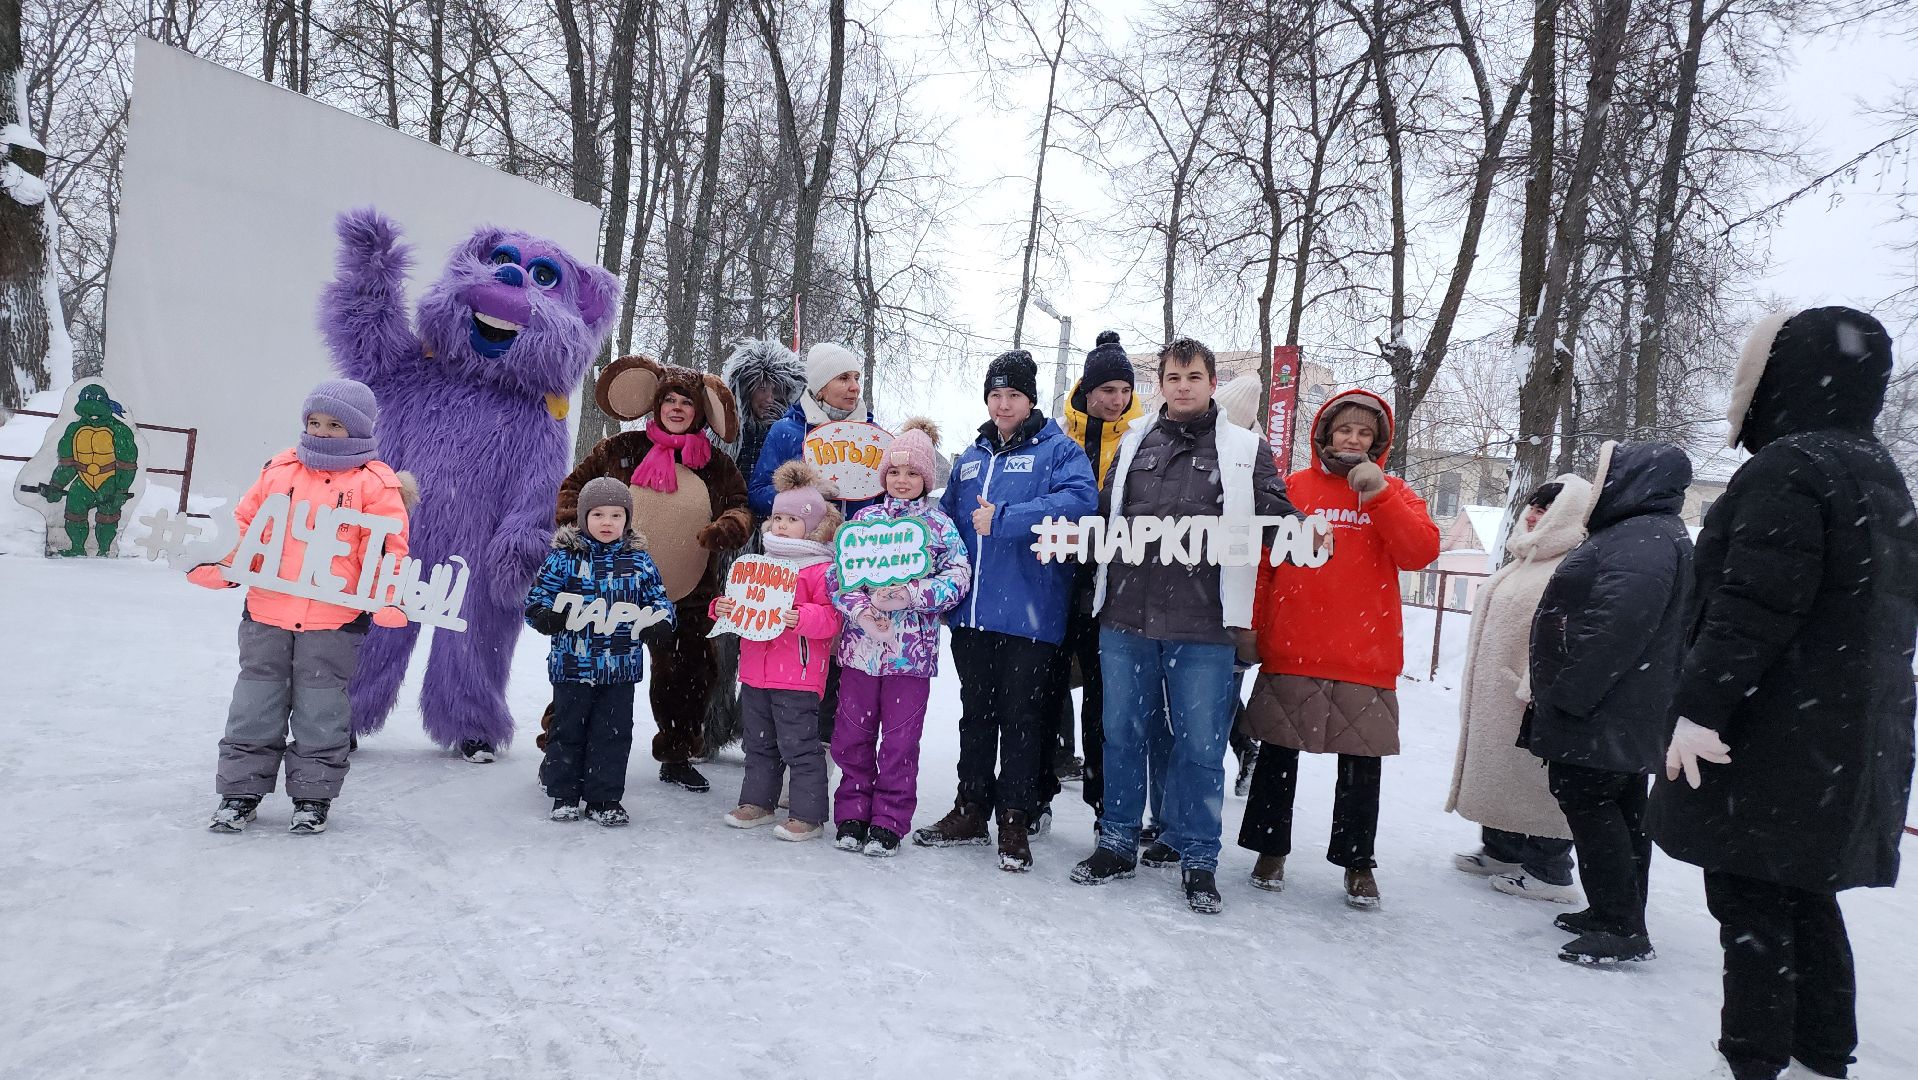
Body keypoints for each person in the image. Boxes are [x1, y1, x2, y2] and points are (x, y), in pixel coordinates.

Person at [1650, 308, 1916, 1080]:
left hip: (1768, 740)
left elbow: (1752, 607)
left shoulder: (1790, 467)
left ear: (1776, 379)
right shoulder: (1879, 474)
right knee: (1807, 898)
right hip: (1838, 742)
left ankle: (1755, 1062)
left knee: (1753, 907)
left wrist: (1699, 710)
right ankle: (1822, 1056)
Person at [1067, 338, 1297, 914]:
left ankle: (1199, 856)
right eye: (1173, 377)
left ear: (1212, 382)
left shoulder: (1244, 448)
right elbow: (1103, 515)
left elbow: (1272, 507)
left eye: (1194, 376)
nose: (1183, 386)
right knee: (1121, 733)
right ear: (1161, 384)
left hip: (1204, 623)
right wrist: (1063, 535)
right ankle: (1117, 841)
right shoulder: (1137, 439)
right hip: (1126, 616)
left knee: (1200, 745)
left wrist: (1296, 528)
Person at [1236, 388, 1439, 908]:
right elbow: (1266, 560)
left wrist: (1381, 496)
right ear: (1325, 435)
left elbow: (1420, 551)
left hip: (1364, 652)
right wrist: (1251, 626)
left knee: (1361, 767)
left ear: (1379, 442)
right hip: (1294, 643)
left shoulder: (1395, 490)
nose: (1353, 439)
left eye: (1364, 433)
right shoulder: (1293, 487)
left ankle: (1357, 863)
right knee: (1278, 757)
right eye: (1344, 430)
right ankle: (1268, 851)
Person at [197, 379, 412, 835]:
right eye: (315, 421)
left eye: (335, 424)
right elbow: (247, 525)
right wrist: (223, 565)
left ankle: (313, 795)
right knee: (255, 703)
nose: (322, 431)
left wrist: (387, 596)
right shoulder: (279, 469)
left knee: (321, 709)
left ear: (358, 430)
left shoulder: (375, 483)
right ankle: (240, 791)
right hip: (266, 613)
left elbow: (387, 548)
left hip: (333, 621)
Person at [914, 349, 1098, 871]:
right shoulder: (971, 458)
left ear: (1031, 399)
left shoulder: (1059, 451)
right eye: (995, 395)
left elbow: (1082, 503)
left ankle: (1014, 817)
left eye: (1012, 394)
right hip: (972, 615)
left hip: (1031, 613)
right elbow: (948, 525)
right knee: (976, 717)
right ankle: (971, 807)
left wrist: (1011, 518)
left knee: (1022, 719)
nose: (1002, 404)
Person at [1525, 440, 1693, 965]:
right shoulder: (1649, 535)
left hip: (1603, 707)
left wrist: (1568, 695)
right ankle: (1616, 912)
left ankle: (1620, 926)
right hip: (1624, 707)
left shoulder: (1639, 540)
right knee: (1619, 808)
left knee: (1592, 803)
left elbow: (1615, 629)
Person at [554, 357, 752, 795]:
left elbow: (740, 505)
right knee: (589, 668)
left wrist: (729, 527)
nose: (677, 409)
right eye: (669, 401)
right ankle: (563, 747)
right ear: (655, 404)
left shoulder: (716, 465)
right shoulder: (622, 448)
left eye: (686, 402)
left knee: (689, 676)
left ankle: (678, 753)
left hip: (688, 591)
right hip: (610, 585)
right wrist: (574, 523)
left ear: (701, 411)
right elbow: (574, 487)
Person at [827, 419, 971, 857]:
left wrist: (912, 593)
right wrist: (861, 610)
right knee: (851, 734)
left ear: (925, 478)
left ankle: (889, 819)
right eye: (894, 472)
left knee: (900, 741)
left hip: (911, 655)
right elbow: (838, 576)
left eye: (911, 473)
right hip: (859, 652)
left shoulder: (939, 525)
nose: (902, 480)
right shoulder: (864, 521)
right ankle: (852, 812)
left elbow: (958, 576)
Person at [1446, 478, 1592, 904]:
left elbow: (1565, 632)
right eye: (1534, 505)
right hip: (1499, 694)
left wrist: (1534, 679)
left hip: (1530, 693)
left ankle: (1550, 868)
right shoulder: (1525, 559)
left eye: (1547, 509)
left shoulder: (1571, 563)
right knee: (1501, 772)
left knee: (1536, 783)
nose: (1533, 514)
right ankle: (1503, 850)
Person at [1052, 330, 1161, 831]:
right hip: (1056, 578)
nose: (1116, 400)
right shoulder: (1060, 436)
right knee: (1047, 688)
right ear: (1086, 391)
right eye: (1106, 390)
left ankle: (1106, 807)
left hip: (1114, 582)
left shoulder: (1143, 436)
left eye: (1124, 390)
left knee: (1105, 697)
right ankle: (1039, 792)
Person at [524, 478, 675, 827]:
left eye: (616, 515)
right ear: (583, 517)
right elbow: (537, 599)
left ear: (627, 519)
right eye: (598, 515)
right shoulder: (564, 558)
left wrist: (661, 622)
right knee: (568, 730)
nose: (607, 523)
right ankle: (564, 794)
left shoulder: (639, 561)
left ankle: (604, 797)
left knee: (613, 733)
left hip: (620, 668)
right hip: (573, 665)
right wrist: (547, 616)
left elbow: (659, 600)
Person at [719, 462, 844, 842]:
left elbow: (832, 619)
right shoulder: (759, 564)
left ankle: (809, 815)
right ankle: (758, 802)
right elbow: (741, 603)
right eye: (777, 518)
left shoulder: (820, 569)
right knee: (757, 742)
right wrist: (721, 608)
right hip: (756, 671)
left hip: (799, 673)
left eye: (791, 519)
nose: (781, 526)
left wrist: (802, 616)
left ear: (815, 525)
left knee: (801, 746)